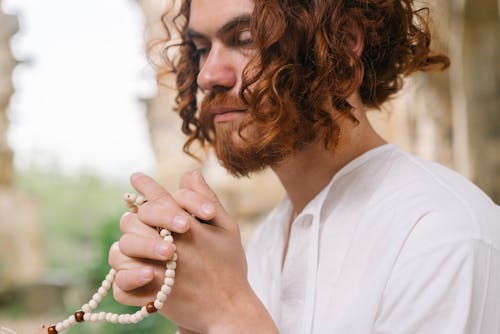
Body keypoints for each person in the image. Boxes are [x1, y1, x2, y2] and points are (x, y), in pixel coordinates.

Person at [108, 0, 500, 333]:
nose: (209, 75)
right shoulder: (266, 243)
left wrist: (227, 307)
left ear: (344, 43)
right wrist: (194, 311)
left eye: (245, 39)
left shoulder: (442, 234)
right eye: (199, 48)